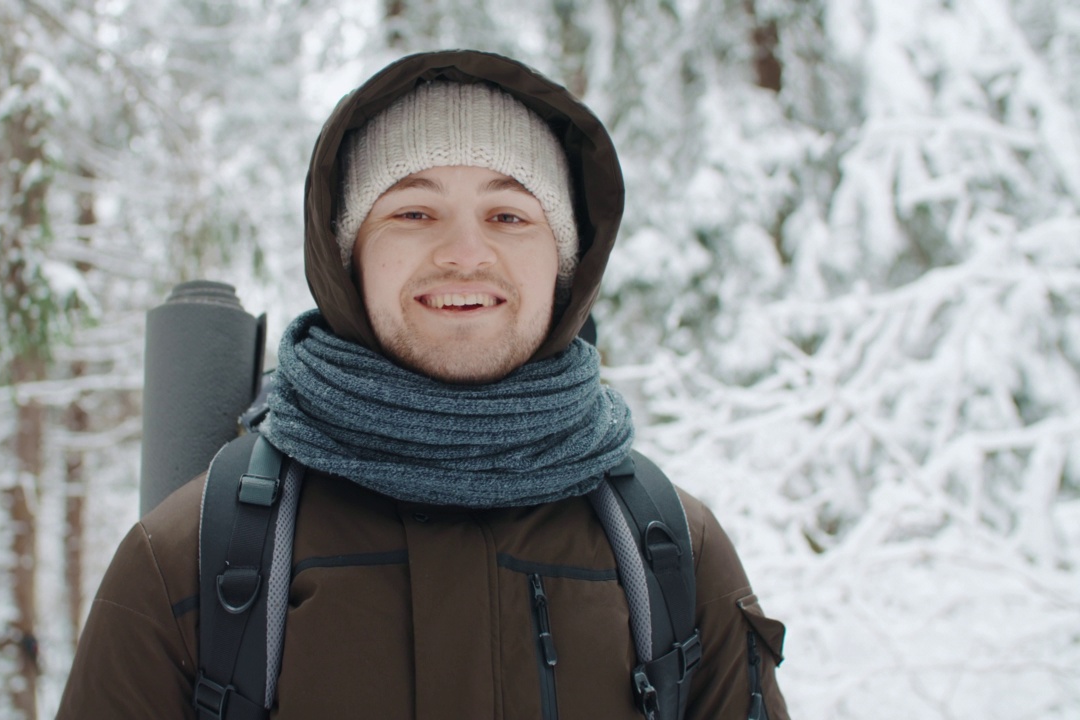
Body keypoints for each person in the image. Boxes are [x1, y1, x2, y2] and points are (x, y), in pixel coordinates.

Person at [57, 50, 788, 720]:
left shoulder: (670, 555)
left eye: (509, 215)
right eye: (413, 212)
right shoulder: (190, 558)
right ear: (350, 256)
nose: (466, 253)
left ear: (565, 263)